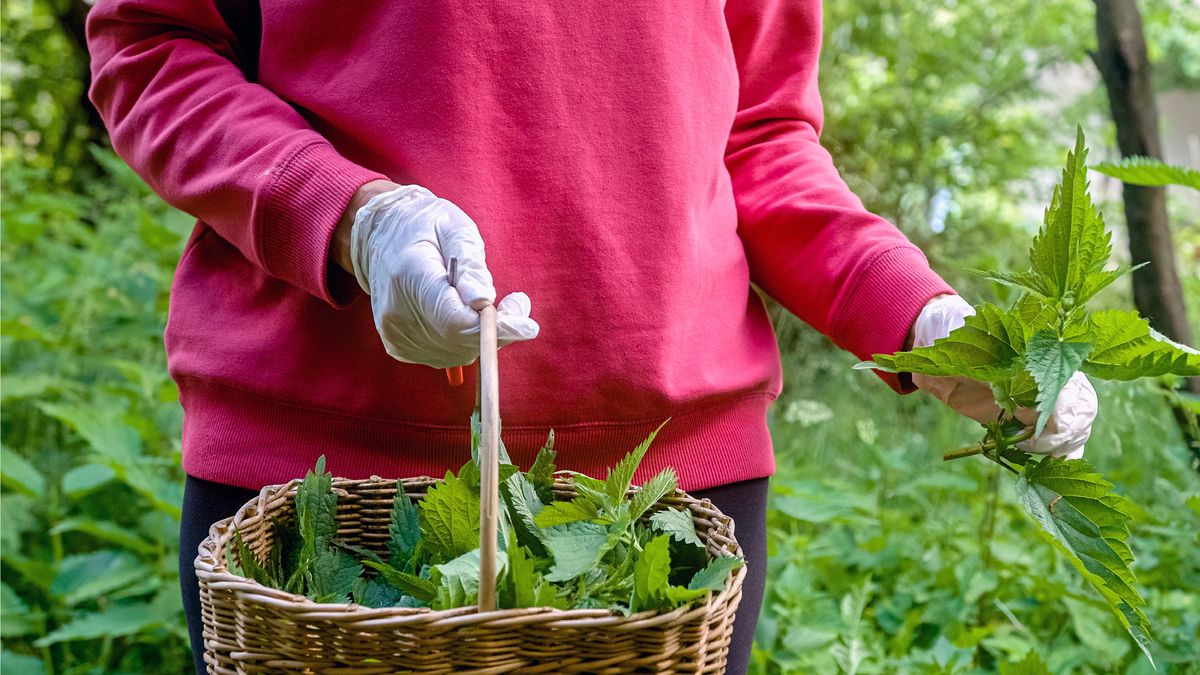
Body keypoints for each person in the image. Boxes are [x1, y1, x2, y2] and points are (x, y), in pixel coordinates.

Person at [84, 1, 1097, 673]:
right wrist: (351, 218)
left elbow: (761, 138)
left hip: (665, 506)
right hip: (324, 492)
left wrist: (920, 319)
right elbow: (149, 48)